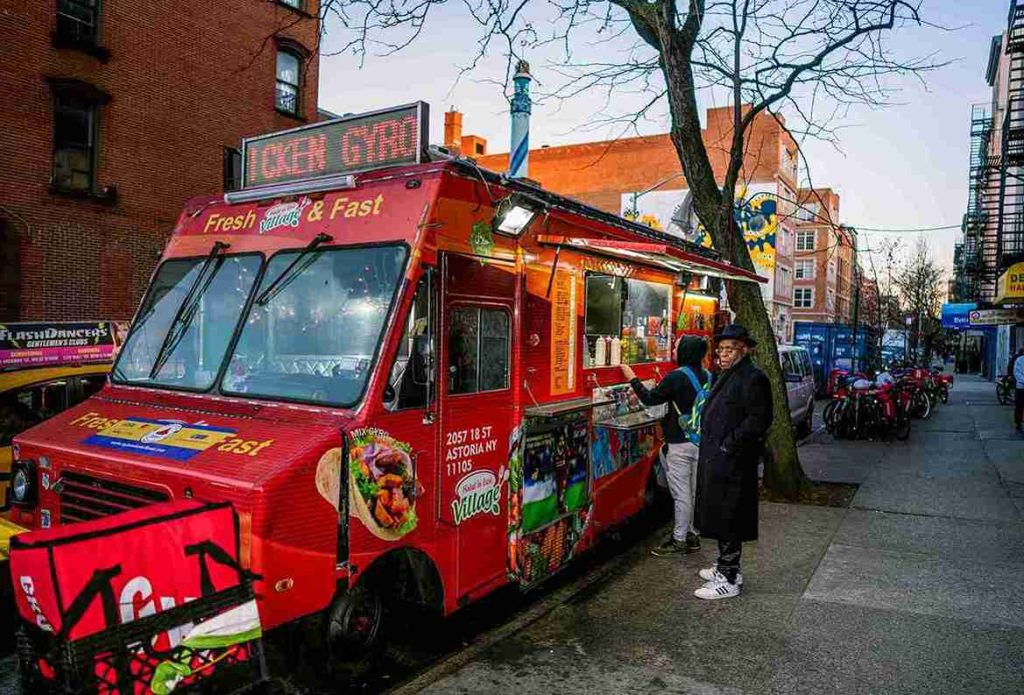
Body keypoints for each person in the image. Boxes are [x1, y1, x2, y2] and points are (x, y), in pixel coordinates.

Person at [693, 324, 772, 600]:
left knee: (729, 516)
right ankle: (727, 567)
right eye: (721, 349)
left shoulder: (753, 378)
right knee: (718, 513)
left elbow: (758, 420)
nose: (723, 354)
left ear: (744, 350)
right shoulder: (728, 374)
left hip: (733, 461)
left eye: (730, 349)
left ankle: (728, 578)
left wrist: (729, 445)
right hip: (719, 458)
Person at [621, 336, 711, 557]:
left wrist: (632, 378)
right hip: (701, 443)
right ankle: (692, 534)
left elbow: (650, 399)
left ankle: (679, 540)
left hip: (679, 445)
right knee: (693, 492)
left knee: (682, 494)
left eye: (677, 346)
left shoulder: (676, 377)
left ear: (685, 351)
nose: (673, 349)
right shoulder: (709, 375)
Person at [1014, 349, 1024, 432]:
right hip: (1021, 387)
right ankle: (1018, 423)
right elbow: (1017, 373)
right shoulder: (1020, 360)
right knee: (1019, 406)